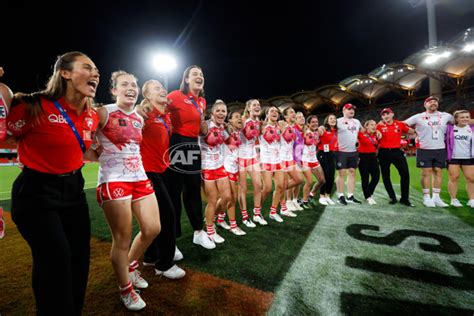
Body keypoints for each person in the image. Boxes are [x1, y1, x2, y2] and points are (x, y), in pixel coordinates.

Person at [7, 51, 100, 315]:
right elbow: (7, 128)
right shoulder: (32, 105)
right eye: (87, 68)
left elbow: (81, 148)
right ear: (65, 73)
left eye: (96, 70)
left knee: (79, 261)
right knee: (55, 261)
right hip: (36, 194)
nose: (95, 73)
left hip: (74, 191)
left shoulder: (90, 115)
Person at [93, 71, 160, 311]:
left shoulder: (139, 119)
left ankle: (130, 267)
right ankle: (125, 289)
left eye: (134, 84)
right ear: (114, 90)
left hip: (139, 177)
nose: (130, 88)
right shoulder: (103, 112)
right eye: (124, 85)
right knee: (121, 239)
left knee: (152, 228)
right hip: (113, 180)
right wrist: (93, 153)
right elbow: (81, 140)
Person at [139, 79, 185, 279]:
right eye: (156, 88)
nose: (162, 89)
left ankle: (151, 256)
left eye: (162, 87)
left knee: (159, 217)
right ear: (147, 95)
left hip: (163, 170)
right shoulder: (143, 115)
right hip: (148, 172)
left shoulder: (165, 117)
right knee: (168, 216)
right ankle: (164, 265)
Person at [167, 65, 214, 249]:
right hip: (177, 143)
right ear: (186, 79)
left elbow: (201, 130)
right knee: (175, 191)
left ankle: (198, 232)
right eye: (194, 74)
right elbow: (157, 109)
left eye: (201, 74)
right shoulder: (175, 96)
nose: (199, 76)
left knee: (193, 189)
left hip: (192, 144)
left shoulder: (202, 101)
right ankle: (172, 240)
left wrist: (204, 127)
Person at [405, 96, 454, 208]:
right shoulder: (418, 117)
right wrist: (412, 132)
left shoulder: (446, 115)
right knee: (426, 172)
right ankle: (426, 197)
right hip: (424, 149)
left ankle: (436, 197)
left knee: (438, 172)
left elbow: (458, 121)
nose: (433, 103)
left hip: (440, 148)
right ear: (425, 104)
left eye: (435, 101)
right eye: (430, 101)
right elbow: (403, 124)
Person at [199, 100, 232, 245]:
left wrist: (236, 131)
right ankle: (210, 231)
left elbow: (232, 144)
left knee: (226, 197)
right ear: (212, 113)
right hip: (207, 167)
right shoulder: (205, 125)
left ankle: (211, 218)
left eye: (223, 111)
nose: (221, 113)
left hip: (219, 166)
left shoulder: (223, 128)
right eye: (218, 110)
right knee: (212, 200)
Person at [377, 108, 414, 206]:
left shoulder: (400, 124)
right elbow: (370, 132)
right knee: (386, 176)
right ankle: (392, 197)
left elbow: (411, 131)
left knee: (405, 174)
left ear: (392, 114)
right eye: (383, 115)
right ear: (382, 117)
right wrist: (376, 126)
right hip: (383, 152)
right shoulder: (379, 126)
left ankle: (404, 198)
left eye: (387, 114)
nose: (386, 116)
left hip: (397, 152)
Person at [221, 110, 247, 235]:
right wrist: (227, 129)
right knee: (232, 198)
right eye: (236, 116)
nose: (240, 118)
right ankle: (233, 225)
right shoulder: (227, 132)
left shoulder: (239, 132)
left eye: (240, 116)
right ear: (230, 120)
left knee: (225, 198)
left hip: (235, 167)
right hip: (227, 168)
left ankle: (218, 218)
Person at [238, 99, 263, 226]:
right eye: (254, 105)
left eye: (258, 105)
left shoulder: (258, 122)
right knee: (243, 188)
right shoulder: (242, 120)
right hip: (241, 157)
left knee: (258, 185)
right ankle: (245, 217)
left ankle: (257, 214)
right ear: (248, 108)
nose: (257, 106)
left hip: (252, 156)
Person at [260, 106, 285, 222]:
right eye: (272, 111)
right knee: (267, 188)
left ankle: (273, 211)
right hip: (266, 160)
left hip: (278, 160)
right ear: (267, 114)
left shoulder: (281, 126)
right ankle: (257, 210)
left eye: (276, 111)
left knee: (280, 186)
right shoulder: (262, 126)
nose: (275, 113)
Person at [334, 103, 362, 205]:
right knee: (341, 173)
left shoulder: (357, 121)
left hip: (353, 151)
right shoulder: (338, 121)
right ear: (343, 110)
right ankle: (340, 195)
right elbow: (328, 129)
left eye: (353, 109)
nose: (352, 111)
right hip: (341, 151)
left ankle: (350, 195)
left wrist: (376, 132)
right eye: (349, 109)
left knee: (352, 172)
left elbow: (363, 132)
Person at [446, 110, 474, 208]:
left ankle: (472, 200)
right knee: (454, 178)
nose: (465, 119)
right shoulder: (449, 128)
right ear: (456, 119)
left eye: (467, 117)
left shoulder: (472, 128)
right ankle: (453, 199)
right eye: (462, 117)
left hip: (469, 157)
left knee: (471, 178)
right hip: (453, 157)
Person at [280, 107, 304, 214]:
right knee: (285, 182)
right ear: (285, 116)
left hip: (290, 158)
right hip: (281, 158)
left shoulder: (293, 128)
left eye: (294, 112)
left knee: (299, 179)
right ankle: (283, 207)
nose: (293, 114)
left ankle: (279, 190)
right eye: (291, 113)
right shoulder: (281, 124)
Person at [301, 115, 326, 208]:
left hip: (314, 160)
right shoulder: (305, 132)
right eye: (313, 122)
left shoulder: (317, 132)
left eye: (316, 122)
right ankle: (304, 201)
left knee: (322, 180)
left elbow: (322, 129)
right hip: (305, 160)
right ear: (308, 124)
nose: (315, 123)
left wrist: (321, 127)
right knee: (309, 182)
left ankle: (311, 194)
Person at [317, 114, 338, 205]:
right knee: (325, 176)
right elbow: (315, 135)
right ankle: (321, 196)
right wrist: (319, 128)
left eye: (334, 118)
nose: (333, 120)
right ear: (327, 120)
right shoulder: (323, 129)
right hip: (322, 154)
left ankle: (327, 196)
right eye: (331, 118)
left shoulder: (337, 130)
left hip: (332, 154)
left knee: (332, 176)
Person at [358, 120, 380, 205]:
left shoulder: (376, 135)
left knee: (376, 177)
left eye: (375, 124)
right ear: (366, 126)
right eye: (371, 125)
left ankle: (368, 192)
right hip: (363, 157)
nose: (374, 126)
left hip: (373, 157)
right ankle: (368, 196)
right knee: (365, 178)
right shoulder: (360, 134)